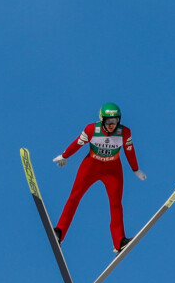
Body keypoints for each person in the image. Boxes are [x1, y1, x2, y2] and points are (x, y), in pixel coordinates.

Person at [52, 103, 146, 253]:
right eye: (108, 122)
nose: (111, 125)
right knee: (74, 197)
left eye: (115, 121)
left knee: (116, 204)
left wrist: (135, 169)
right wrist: (65, 155)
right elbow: (77, 143)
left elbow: (130, 151)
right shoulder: (91, 130)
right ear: (102, 120)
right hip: (91, 166)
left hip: (113, 168)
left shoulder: (124, 132)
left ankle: (119, 242)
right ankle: (59, 232)